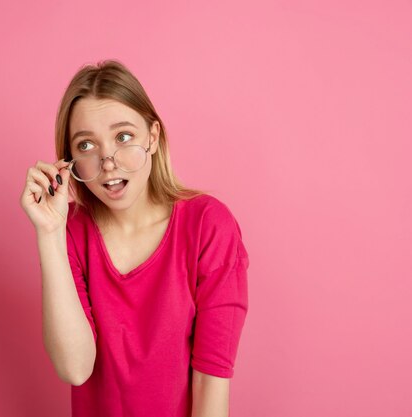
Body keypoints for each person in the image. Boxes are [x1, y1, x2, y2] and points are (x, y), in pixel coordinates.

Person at [19, 59, 249, 417]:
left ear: (153, 138)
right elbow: (74, 368)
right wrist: (49, 232)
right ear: (70, 162)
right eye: (86, 146)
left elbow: (211, 383)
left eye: (123, 136)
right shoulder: (71, 235)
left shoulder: (208, 226)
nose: (107, 161)